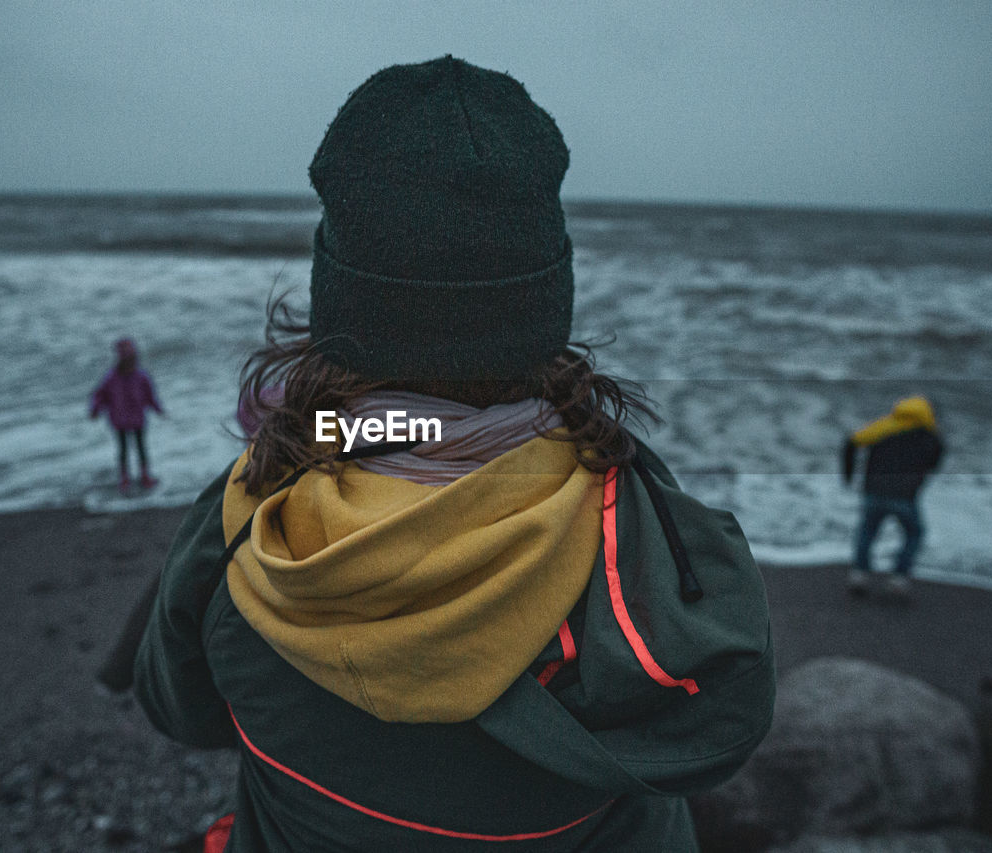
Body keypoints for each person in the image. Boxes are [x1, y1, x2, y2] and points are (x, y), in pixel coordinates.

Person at [133, 56, 773, 852]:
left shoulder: (239, 532)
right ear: (543, 302)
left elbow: (178, 707)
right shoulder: (654, 554)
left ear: (341, 303)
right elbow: (717, 729)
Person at [841, 395, 945, 596]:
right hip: (905, 496)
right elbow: (934, 463)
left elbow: (851, 442)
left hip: (874, 491)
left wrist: (848, 475)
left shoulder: (884, 427)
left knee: (868, 530)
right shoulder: (930, 437)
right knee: (914, 533)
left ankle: (859, 573)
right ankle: (898, 577)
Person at [89, 337, 163, 492]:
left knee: (141, 447)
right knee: (123, 449)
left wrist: (157, 408)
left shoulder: (141, 376)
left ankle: (144, 475)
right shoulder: (111, 378)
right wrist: (95, 409)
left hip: (137, 419)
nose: (131, 362)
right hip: (119, 420)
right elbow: (100, 395)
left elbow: (150, 394)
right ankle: (124, 478)